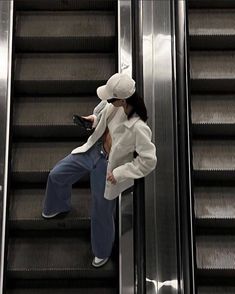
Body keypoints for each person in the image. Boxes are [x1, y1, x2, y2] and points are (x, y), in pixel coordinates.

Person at [42, 73, 157, 268]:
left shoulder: (139, 127)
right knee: (56, 175)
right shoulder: (111, 104)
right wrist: (92, 120)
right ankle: (58, 205)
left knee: (101, 211)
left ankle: (102, 251)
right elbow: (100, 116)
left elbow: (148, 161)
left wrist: (121, 173)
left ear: (122, 100)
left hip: (109, 167)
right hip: (93, 151)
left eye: (111, 97)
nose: (107, 99)